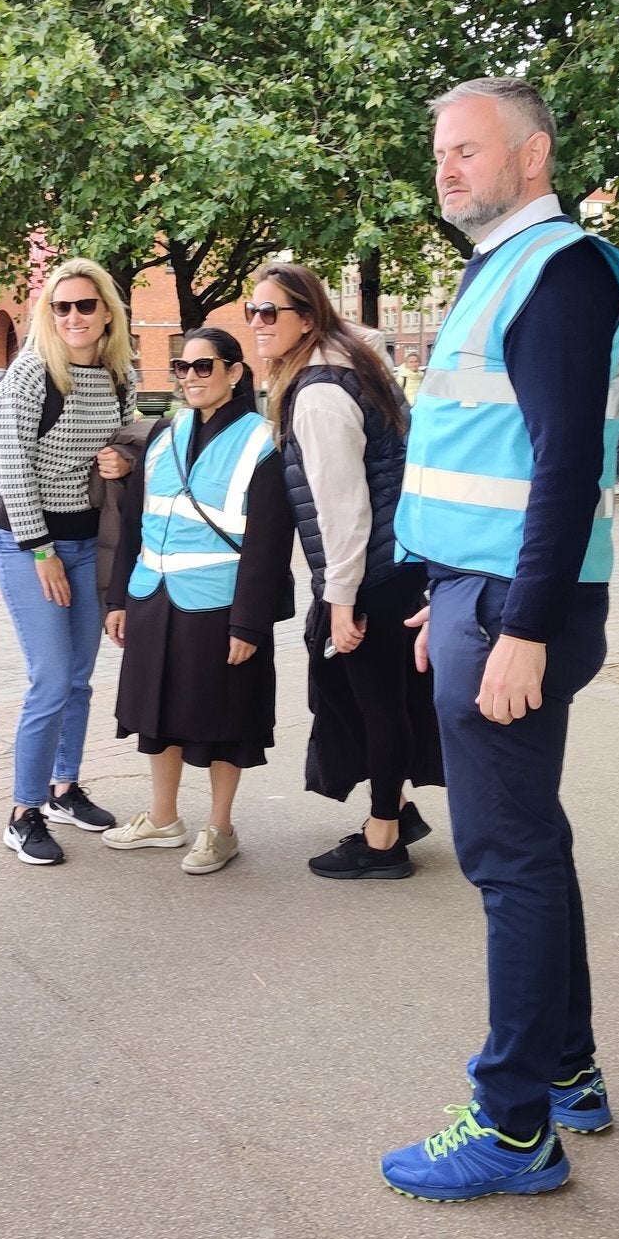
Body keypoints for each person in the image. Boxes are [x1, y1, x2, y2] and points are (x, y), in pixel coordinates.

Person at [380, 77, 619, 1201]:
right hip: (479, 600)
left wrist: (519, 622)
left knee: (509, 858)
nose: (446, 166)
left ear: (531, 158)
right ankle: (564, 1068)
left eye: (467, 150)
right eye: (440, 150)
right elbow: (497, 463)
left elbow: (565, 463)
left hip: (512, 611)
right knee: (531, 841)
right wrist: (450, 596)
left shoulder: (556, 267)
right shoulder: (509, 271)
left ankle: (514, 1126)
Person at [246, 263, 442, 880]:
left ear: (306, 318)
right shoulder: (354, 363)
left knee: (377, 706)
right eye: (252, 311)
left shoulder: (321, 392)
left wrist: (339, 600)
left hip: (369, 575)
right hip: (396, 565)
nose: (257, 323)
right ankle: (398, 811)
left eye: (270, 312)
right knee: (376, 700)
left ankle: (384, 840)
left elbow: (343, 510)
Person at [101, 328, 291, 875]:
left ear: (234, 372)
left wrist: (250, 624)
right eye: (182, 367)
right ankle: (163, 819)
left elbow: (269, 545)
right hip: (153, 596)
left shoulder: (264, 441)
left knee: (223, 721)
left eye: (203, 367)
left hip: (219, 605)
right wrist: (118, 598)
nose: (190, 378)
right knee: (156, 714)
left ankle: (220, 829)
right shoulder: (165, 433)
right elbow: (135, 521)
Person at [0, 260, 134, 866]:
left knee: (78, 678)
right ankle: (23, 812)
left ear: (106, 311)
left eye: (84, 305)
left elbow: (127, 440)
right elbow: (14, 471)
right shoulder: (27, 378)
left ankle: (63, 788)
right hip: (32, 545)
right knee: (50, 681)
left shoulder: (117, 375)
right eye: (61, 307)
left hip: (88, 546)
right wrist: (41, 551)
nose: (73, 316)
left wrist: (124, 463)